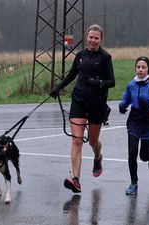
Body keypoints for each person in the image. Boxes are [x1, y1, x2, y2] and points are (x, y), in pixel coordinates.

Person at [50, 24, 115, 193]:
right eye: (90, 37)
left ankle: (97, 156)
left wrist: (99, 83)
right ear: (86, 37)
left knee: (93, 141)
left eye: (96, 38)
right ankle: (76, 180)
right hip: (78, 100)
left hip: (97, 104)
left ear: (101, 39)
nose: (93, 40)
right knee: (76, 140)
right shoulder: (80, 56)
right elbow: (72, 75)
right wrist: (58, 87)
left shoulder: (105, 57)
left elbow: (112, 82)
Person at [119, 56, 149, 195]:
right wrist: (122, 105)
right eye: (138, 67)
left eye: (143, 67)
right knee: (132, 152)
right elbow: (125, 98)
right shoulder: (131, 84)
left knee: (143, 157)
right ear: (135, 68)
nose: (140, 69)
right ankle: (133, 183)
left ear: (148, 69)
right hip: (135, 119)